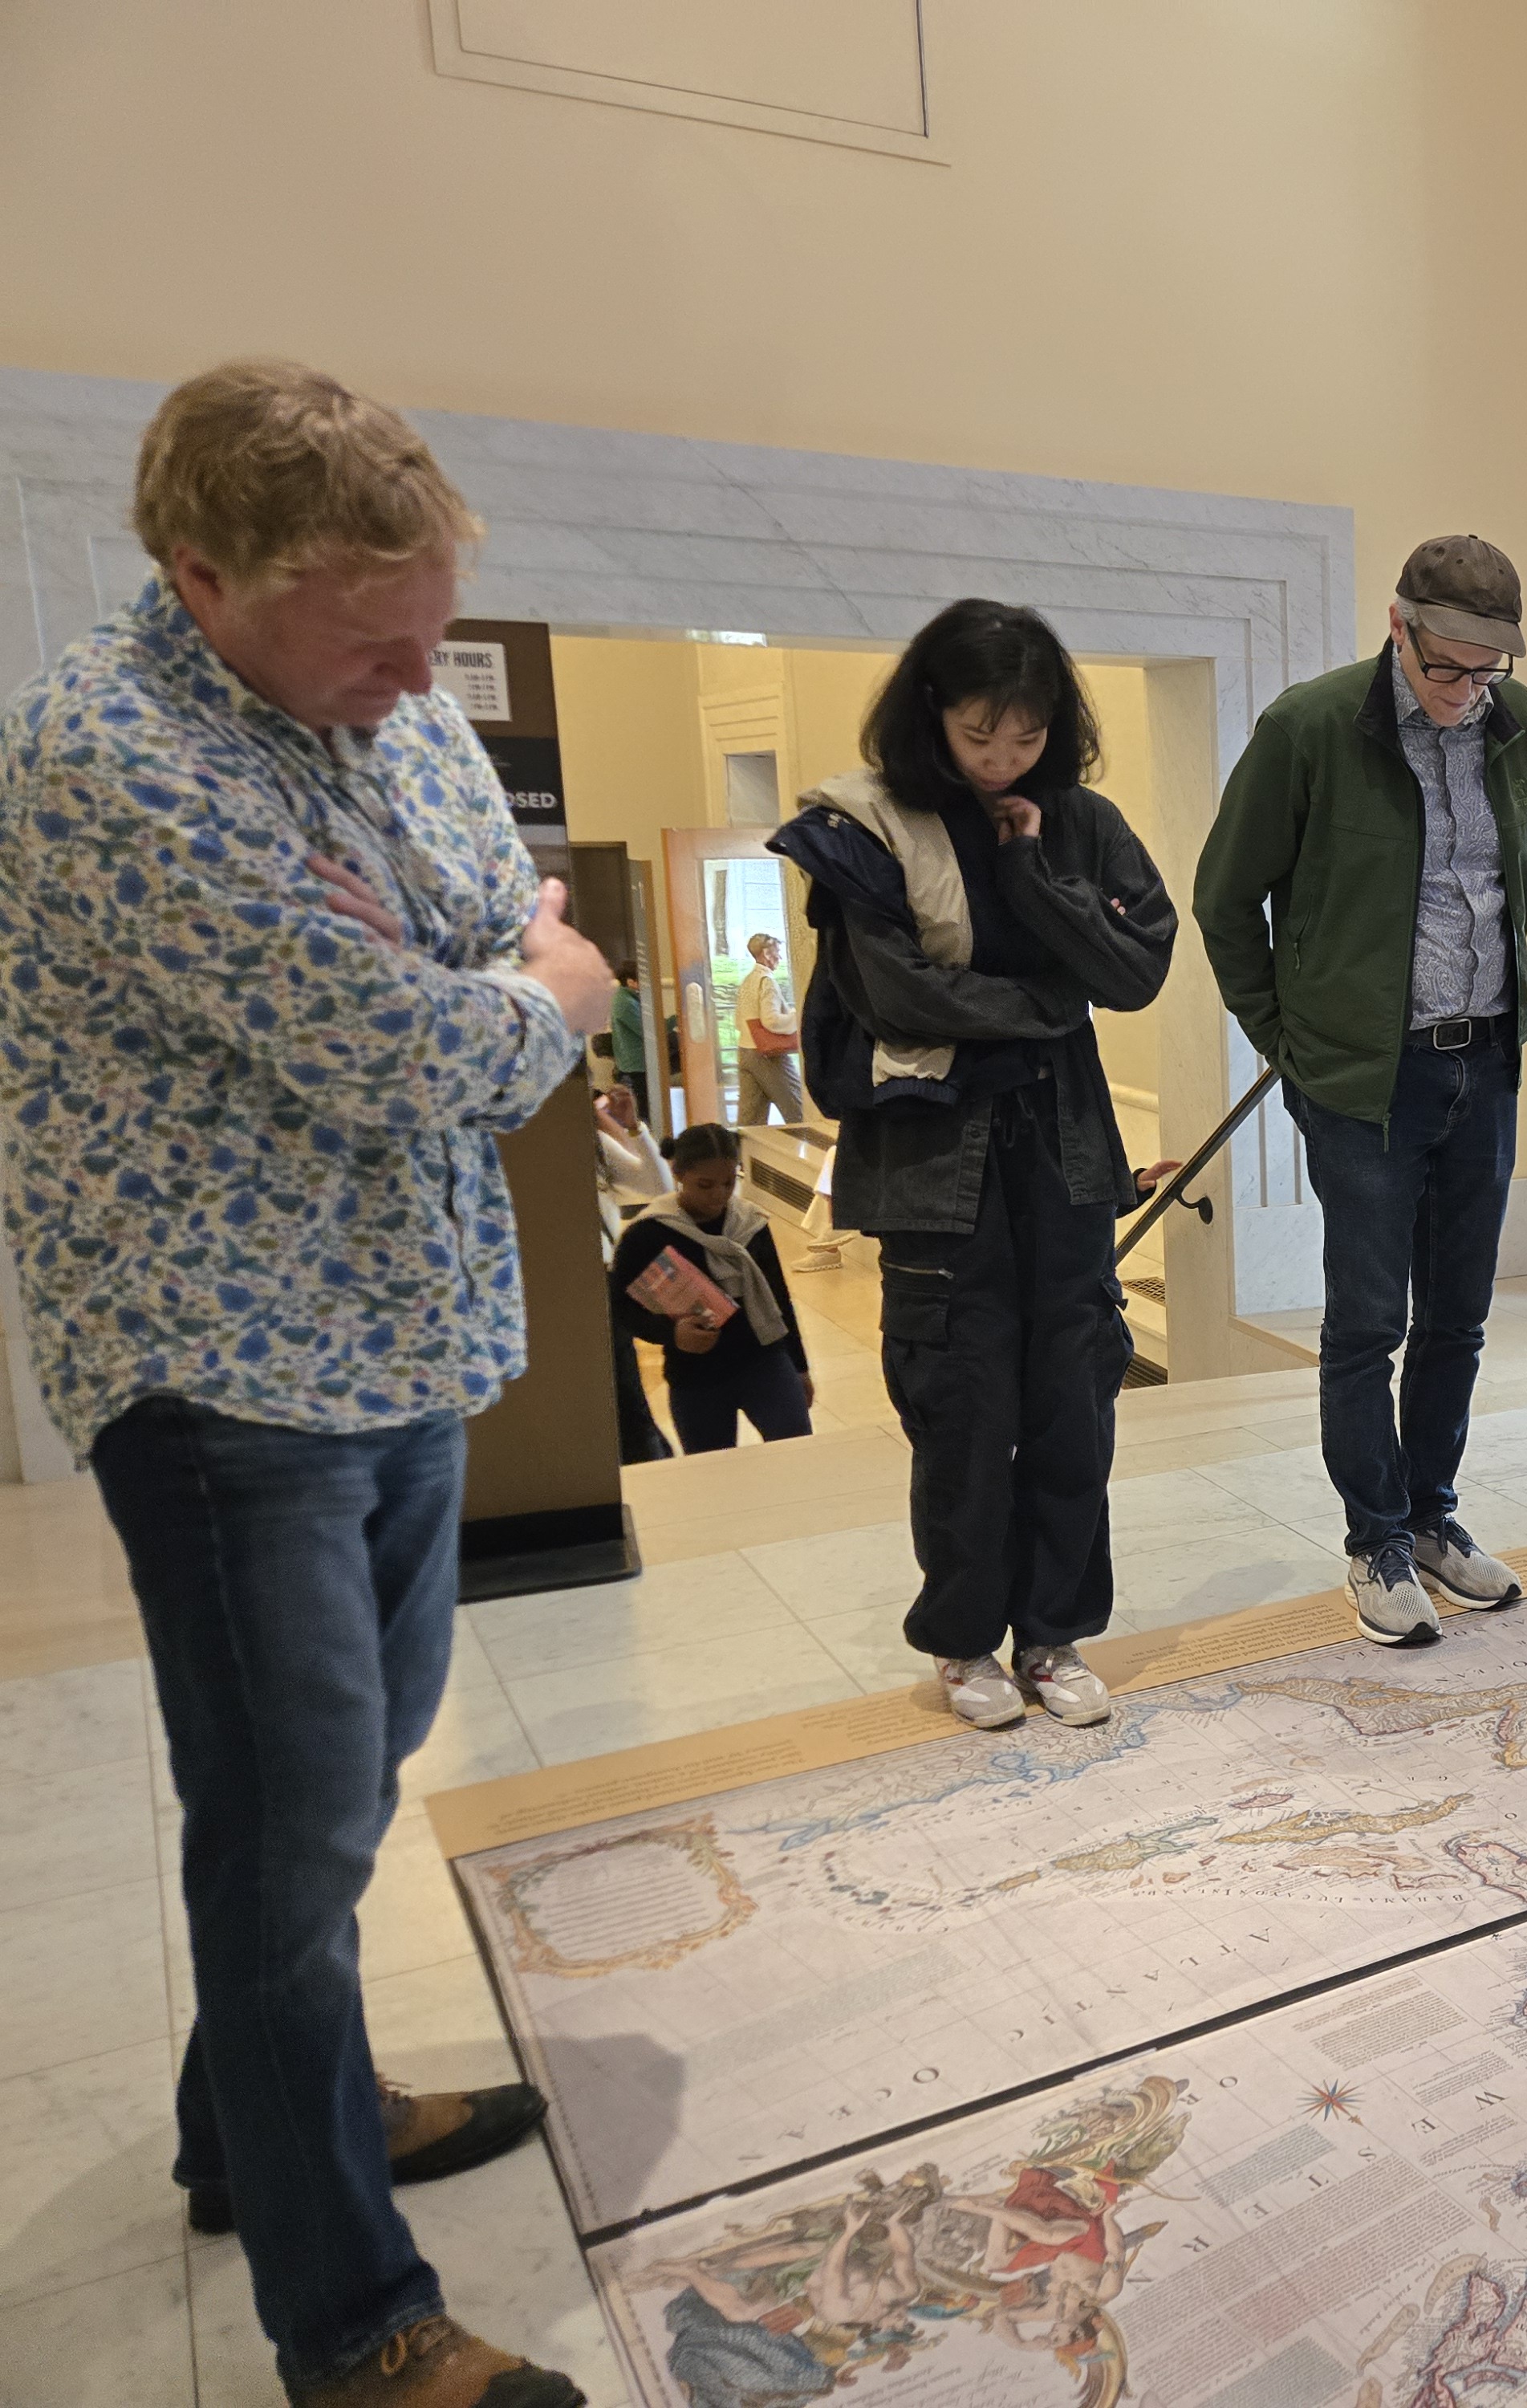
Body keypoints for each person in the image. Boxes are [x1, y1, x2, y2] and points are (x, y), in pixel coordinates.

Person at [0, 361, 605, 2404]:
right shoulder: (107, 753)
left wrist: (476, 964)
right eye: (374, 642)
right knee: (291, 1819)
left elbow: (482, 901)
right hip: (222, 1362)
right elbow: (424, 1037)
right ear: (203, 576)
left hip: (404, 1322)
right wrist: (522, 990)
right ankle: (352, 2322)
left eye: (433, 631)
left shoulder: (399, 695)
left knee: (341, 1771)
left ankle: (235, 2122)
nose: (421, 675)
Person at [771, 599, 1174, 1731]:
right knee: (958, 1406)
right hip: (933, 1159)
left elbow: (1138, 969)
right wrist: (1049, 1004)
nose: (1004, 759)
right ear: (931, 714)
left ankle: (1052, 1635)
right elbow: (895, 990)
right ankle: (961, 1642)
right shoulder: (871, 829)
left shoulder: (1079, 821)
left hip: (1065, 1152)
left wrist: (1041, 879)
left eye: (1028, 736)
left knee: (1072, 1404)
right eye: (979, 735)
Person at [1193, 536, 1527, 1649]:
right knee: (1364, 1327)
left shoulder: (1517, 725)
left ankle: (1435, 1519)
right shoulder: (1309, 729)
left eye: (1486, 675)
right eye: (1447, 670)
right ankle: (1376, 1540)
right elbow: (1222, 901)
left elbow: (1500, 889)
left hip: (1484, 1062)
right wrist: (1292, 1045)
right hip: (1364, 1081)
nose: (1464, 695)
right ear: (1399, 629)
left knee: (1461, 1320)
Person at [612, 1122, 817, 1453]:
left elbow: (778, 1298)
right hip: (697, 1376)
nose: (719, 1195)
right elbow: (621, 1309)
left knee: (798, 1457)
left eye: (728, 1182)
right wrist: (672, 1333)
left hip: (764, 1360)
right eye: (705, 1185)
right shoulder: (649, 1234)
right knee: (713, 1480)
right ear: (678, 1175)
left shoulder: (750, 1223)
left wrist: (800, 1366)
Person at [595, 1081, 676, 1463]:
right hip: (562, 1286)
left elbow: (655, 1185)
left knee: (626, 1394)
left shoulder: (593, 1143)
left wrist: (632, 1128)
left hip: (601, 1280)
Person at [735, 928, 807, 1125]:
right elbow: (772, 1021)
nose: (780, 957)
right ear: (766, 954)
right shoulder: (767, 981)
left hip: (745, 1051)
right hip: (768, 1056)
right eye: (777, 952)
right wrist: (796, 1016)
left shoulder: (748, 981)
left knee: (750, 1120)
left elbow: (737, 1019)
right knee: (799, 1110)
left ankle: (743, 1155)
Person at [607, 946, 653, 1124]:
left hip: (635, 1061)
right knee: (643, 1106)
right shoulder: (625, 1003)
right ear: (631, 982)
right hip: (635, 1063)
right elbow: (646, 1030)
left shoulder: (628, 998)